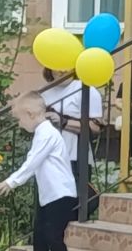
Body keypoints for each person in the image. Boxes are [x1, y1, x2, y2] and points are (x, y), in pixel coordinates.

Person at [0, 92, 79, 251]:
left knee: (52, 233)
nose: (19, 124)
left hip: (61, 194)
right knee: (40, 231)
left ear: (30, 114)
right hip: (49, 195)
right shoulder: (42, 133)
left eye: (19, 119)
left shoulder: (47, 133)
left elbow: (33, 161)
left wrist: (12, 182)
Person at [43, 67, 105, 215]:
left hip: (74, 157)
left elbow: (95, 127)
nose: (61, 70)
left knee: (70, 207)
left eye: (66, 65)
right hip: (47, 156)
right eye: (56, 65)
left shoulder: (85, 90)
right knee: (48, 209)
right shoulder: (45, 92)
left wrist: (63, 122)